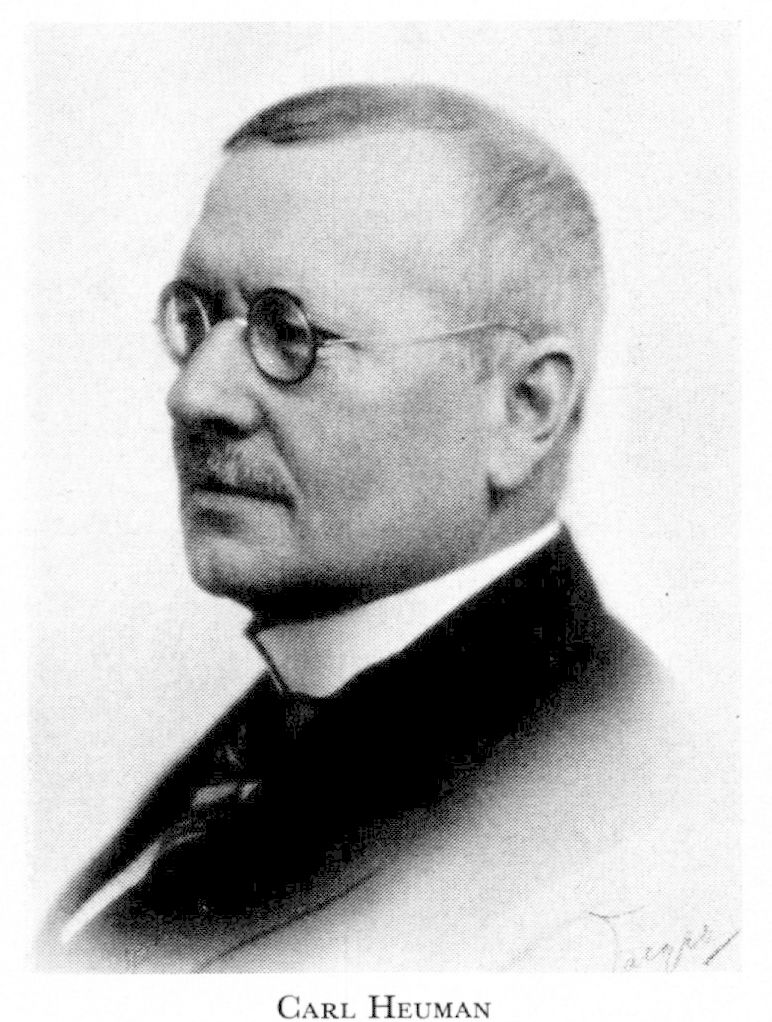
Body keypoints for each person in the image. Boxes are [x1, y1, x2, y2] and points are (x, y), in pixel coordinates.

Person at [37, 82, 738, 972]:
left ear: (524, 408)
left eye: (289, 334)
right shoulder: (275, 726)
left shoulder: (622, 797)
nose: (195, 395)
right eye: (197, 318)